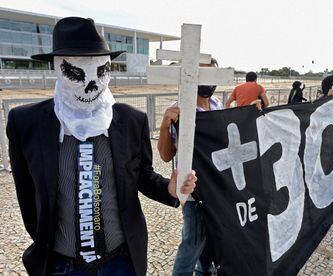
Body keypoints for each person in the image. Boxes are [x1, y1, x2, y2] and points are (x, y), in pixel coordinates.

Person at [6, 17, 196, 276]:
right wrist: (49, 240)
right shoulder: (26, 123)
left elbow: (141, 175)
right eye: (76, 72)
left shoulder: (131, 120)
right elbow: (26, 194)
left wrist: (169, 189)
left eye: (101, 69)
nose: (91, 84)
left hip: (119, 262)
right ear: (57, 66)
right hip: (62, 265)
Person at [158, 58, 220, 275]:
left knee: (210, 239)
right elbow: (165, 156)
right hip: (193, 192)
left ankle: (205, 271)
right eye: (201, 74)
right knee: (191, 243)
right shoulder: (180, 110)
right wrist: (166, 123)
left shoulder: (217, 106)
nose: (207, 81)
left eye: (211, 74)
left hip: (216, 189)